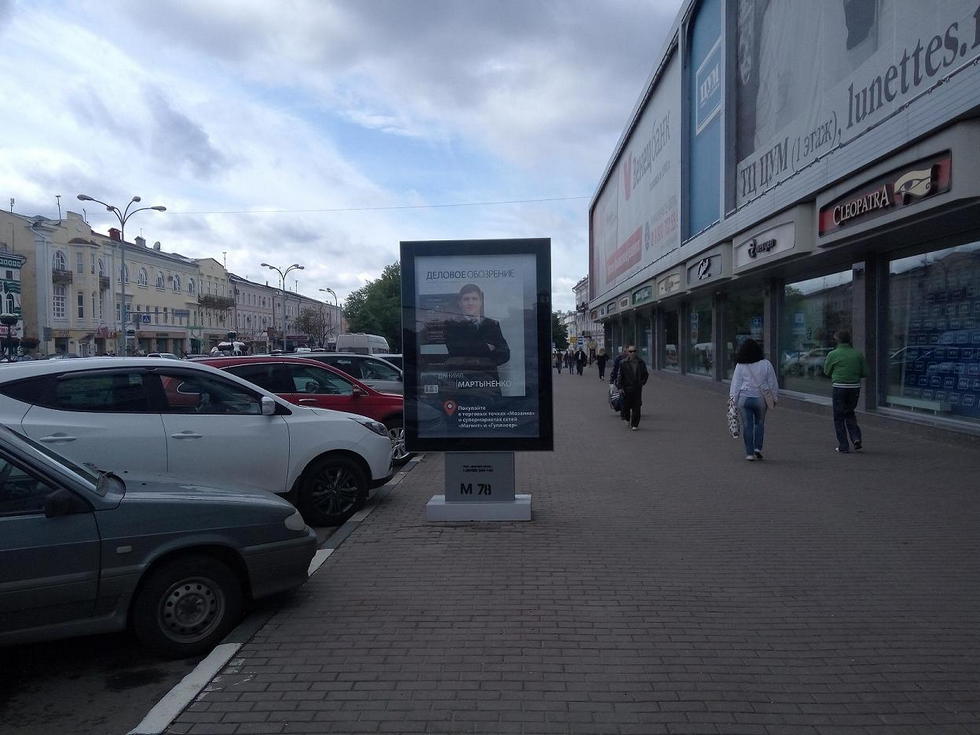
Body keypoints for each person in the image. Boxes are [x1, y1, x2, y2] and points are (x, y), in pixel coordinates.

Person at [444, 283, 510, 397]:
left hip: (489, 385)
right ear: (460, 303)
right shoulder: (451, 325)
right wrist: (487, 348)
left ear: (480, 302)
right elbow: (456, 350)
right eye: (466, 299)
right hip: (461, 385)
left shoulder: (492, 324)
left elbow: (505, 354)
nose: (470, 302)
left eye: (474, 299)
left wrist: (471, 350)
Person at [729, 338, 779, 461]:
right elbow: (772, 382)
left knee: (747, 425)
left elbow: (736, 384)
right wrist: (774, 397)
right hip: (761, 399)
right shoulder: (766, 364)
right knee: (759, 423)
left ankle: (749, 453)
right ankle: (758, 448)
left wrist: (732, 400)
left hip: (744, 399)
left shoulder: (740, 365)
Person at [823, 330, 867, 454]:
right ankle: (856, 438)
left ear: (837, 341)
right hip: (854, 388)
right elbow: (865, 372)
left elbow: (826, 371)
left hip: (839, 387)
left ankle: (843, 445)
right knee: (850, 413)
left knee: (838, 416)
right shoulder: (857, 354)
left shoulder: (833, 354)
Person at [616, 345, 649, 430]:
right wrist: (619, 387)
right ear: (627, 352)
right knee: (626, 406)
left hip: (637, 388)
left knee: (636, 407)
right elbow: (620, 376)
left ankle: (635, 424)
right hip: (626, 388)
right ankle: (627, 418)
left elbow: (645, 374)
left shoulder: (641, 362)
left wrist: (642, 383)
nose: (632, 353)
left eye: (634, 351)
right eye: (630, 351)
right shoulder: (623, 363)